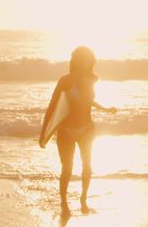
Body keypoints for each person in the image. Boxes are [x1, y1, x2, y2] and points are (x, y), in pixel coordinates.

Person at [43, 46, 116, 215]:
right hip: (66, 130)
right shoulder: (64, 81)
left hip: (86, 128)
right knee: (67, 168)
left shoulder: (92, 79)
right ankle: (64, 203)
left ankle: (83, 200)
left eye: (88, 59)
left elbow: (88, 101)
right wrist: (44, 133)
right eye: (81, 59)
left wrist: (105, 109)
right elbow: (53, 106)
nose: (84, 62)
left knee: (87, 167)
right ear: (75, 60)